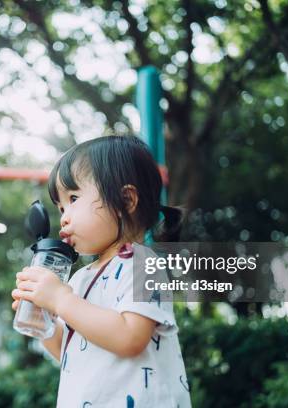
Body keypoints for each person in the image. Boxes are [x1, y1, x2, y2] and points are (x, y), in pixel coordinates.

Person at [11, 135, 192, 407]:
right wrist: (44, 320)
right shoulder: (81, 277)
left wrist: (61, 300)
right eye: (60, 207)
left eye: (73, 198)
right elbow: (73, 353)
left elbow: (130, 337)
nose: (64, 216)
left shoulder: (142, 264)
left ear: (126, 200)